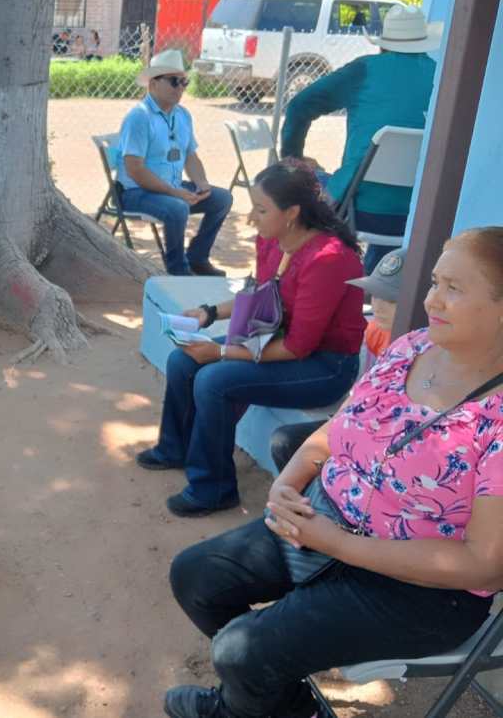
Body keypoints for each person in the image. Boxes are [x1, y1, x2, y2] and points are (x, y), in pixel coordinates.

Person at [163, 227, 503, 718]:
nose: (433, 299)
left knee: (239, 651)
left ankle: (240, 700)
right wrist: (287, 481)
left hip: (418, 589)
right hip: (328, 519)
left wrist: (338, 545)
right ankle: (281, 703)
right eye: (434, 282)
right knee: (195, 577)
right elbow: (338, 430)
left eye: (454, 288)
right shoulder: (411, 347)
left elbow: (485, 563)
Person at [137, 161, 365, 517]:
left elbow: (298, 347)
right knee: (183, 359)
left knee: (214, 380)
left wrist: (222, 351)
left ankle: (213, 488)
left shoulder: (328, 260)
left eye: (261, 209)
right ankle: (174, 448)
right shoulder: (273, 240)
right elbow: (261, 296)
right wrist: (209, 313)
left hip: (324, 366)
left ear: (292, 213)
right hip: (275, 338)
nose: (252, 218)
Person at [281, 5, 439, 274]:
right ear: (423, 44)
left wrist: (292, 160)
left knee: (301, 183)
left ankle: (289, 280)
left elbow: (298, 107)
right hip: (419, 216)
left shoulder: (365, 70)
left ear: (383, 45)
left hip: (358, 210)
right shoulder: (442, 75)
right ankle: (375, 284)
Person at [270, 246, 407, 471]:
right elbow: (364, 389)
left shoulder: (423, 346)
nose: (378, 306)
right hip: (361, 419)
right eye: (376, 294)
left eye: (391, 300)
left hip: (387, 437)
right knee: (285, 442)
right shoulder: (375, 331)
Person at [117, 49, 232, 276]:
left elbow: (191, 155)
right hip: (136, 192)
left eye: (184, 82)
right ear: (153, 84)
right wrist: (174, 192)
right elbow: (135, 170)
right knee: (178, 208)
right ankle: (178, 271)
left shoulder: (183, 115)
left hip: (171, 188)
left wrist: (201, 183)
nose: (180, 88)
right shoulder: (139, 117)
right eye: (173, 81)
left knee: (222, 199)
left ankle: (198, 257)